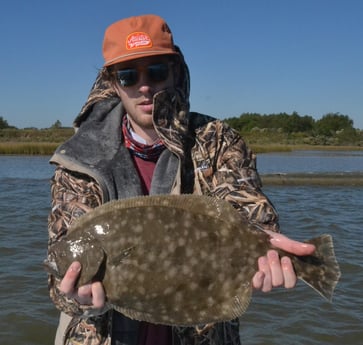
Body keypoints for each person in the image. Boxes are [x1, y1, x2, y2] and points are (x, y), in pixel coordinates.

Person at [47, 14, 315, 345]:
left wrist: (266, 247)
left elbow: (246, 209)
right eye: (129, 75)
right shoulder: (77, 159)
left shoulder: (217, 141)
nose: (144, 86)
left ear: (176, 72)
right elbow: (57, 283)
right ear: (113, 83)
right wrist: (76, 298)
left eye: (156, 71)